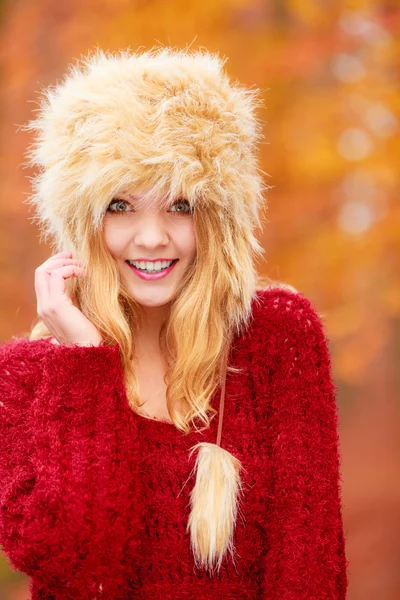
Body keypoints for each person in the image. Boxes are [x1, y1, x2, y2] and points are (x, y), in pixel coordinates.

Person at [0, 47, 349, 599]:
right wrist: (86, 364)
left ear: (218, 217)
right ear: (80, 220)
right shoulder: (27, 377)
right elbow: (74, 568)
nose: (152, 237)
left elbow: (309, 564)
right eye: (120, 205)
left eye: (180, 206)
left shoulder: (278, 335)